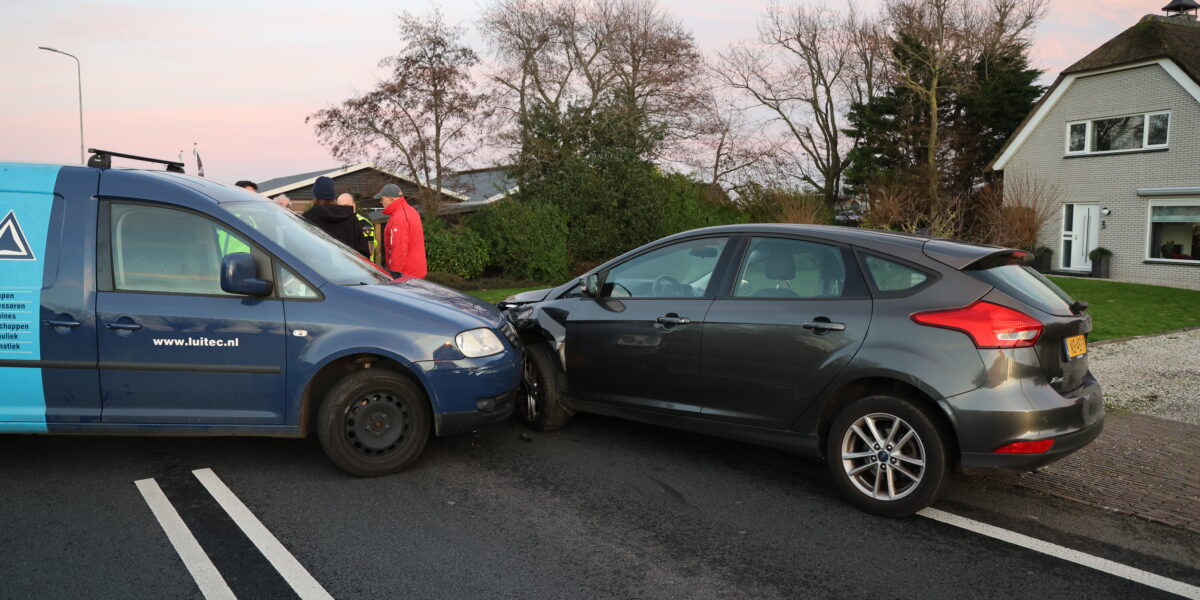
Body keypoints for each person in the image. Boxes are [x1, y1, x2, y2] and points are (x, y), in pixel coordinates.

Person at [302, 176, 369, 257]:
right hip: (347, 264)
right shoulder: (350, 217)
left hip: (316, 263)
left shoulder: (308, 217)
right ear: (333, 196)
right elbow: (363, 250)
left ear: (315, 196)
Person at [375, 183, 426, 278]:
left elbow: (399, 248)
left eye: (382, 199)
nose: (381, 202)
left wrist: (395, 274)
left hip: (406, 274)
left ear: (391, 198)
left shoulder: (399, 217)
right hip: (414, 271)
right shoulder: (410, 211)